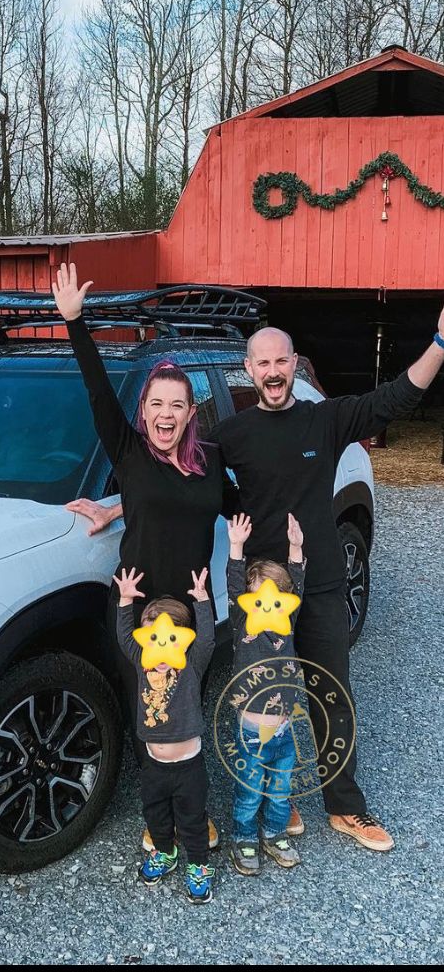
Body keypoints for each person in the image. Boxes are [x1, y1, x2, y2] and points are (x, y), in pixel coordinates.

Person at [69, 303, 444, 850]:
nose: (272, 371)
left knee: (329, 688)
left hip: (316, 583)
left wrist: (438, 343)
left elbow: (397, 396)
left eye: (281, 361)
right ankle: (268, 799)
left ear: (294, 364)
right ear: (249, 369)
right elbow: (175, 477)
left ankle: (346, 807)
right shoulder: (233, 435)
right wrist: (114, 506)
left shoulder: (328, 418)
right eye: (262, 363)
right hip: (257, 588)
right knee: (261, 695)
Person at [52, 262, 238, 851]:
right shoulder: (130, 453)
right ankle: (158, 818)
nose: (165, 413)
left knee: (188, 705)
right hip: (134, 601)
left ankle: (192, 812)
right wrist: (76, 325)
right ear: (146, 410)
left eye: (175, 405)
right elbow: (97, 390)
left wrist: (289, 542)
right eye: (156, 403)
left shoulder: (207, 464)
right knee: (146, 704)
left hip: (190, 608)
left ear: (189, 413)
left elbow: (238, 512)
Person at [115, 564, 216, 903]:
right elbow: (125, 637)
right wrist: (125, 601)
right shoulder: (142, 663)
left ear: (182, 641)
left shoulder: (192, 665)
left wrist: (202, 600)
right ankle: (165, 852)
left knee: (192, 819)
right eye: (152, 637)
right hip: (154, 765)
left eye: (169, 638)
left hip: (189, 767)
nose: (159, 650)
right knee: (155, 814)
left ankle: (199, 865)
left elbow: (208, 639)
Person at [226, 512, 305, 875]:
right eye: (258, 598)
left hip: (285, 730)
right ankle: (243, 839)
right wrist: (236, 546)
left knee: (280, 790)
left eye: (276, 599)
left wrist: (296, 547)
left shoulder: (286, 627)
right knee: (250, 789)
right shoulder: (244, 624)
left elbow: (298, 585)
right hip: (251, 730)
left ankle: (274, 834)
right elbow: (233, 585)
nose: (268, 606)